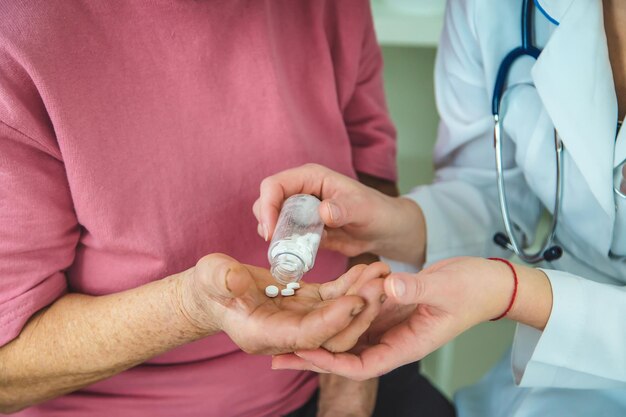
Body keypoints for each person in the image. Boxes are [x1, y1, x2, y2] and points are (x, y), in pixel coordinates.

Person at [0, 1, 454, 416]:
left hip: (331, 373)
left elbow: (369, 185)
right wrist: (190, 309)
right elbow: (8, 370)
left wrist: (348, 385)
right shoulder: (21, 37)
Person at [255, 0, 626, 416]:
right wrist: (393, 222)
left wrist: (515, 294)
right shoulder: (490, 8)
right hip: (566, 376)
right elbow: (493, 192)